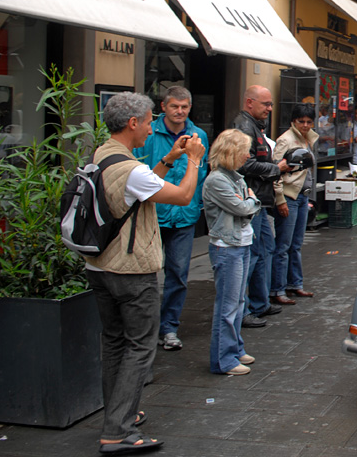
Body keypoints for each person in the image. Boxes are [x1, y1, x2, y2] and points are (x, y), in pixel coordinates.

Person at [87, 92, 205, 454]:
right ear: (133, 123)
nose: (153, 125)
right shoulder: (132, 168)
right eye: (150, 119)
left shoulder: (104, 155)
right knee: (140, 347)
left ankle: (119, 414)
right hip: (131, 268)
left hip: (101, 265)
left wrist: (170, 158)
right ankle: (118, 432)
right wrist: (194, 161)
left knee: (114, 343)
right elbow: (183, 196)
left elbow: (138, 192)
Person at [132, 86, 209, 352]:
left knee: (178, 273)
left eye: (185, 107)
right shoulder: (149, 133)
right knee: (148, 275)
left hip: (184, 215)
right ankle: (148, 328)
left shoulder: (199, 136)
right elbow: (140, 169)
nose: (180, 111)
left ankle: (169, 327)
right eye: (175, 106)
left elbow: (201, 173)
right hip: (153, 214)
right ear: (163, 107)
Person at [202, 129, 261, 376]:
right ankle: (223, 360)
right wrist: (251, 202)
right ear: (231, 152)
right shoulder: (217, 180)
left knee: (238, 302)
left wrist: (248, 202)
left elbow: (244, 205)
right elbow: (242, 206)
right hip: (227, 247)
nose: (248, 155)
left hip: (241, 243)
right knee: (228, 305)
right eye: (244, 151)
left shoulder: (234, 177)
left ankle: (235, 349)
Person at [232, 85, 292, 328]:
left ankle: (259, 302)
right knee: (253, 254)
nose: (269, 108)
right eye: (265, 104)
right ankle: (245, 309)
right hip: (252, 200)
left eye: (270, 104)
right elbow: (245, 165)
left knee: (264, 249)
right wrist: (277, 168)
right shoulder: (244, 127)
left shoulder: (252, 126)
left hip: (259, 199)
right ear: (249, 103)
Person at [269, 103, 318, 307]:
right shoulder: (285, 140)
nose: (305, 125)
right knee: (283, 245)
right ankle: (277, 289)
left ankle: (294, 283)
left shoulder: (306, 138)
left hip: (301, 195)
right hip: (289, 196)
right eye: (301, 121)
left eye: (308, 122)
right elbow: (275, 171)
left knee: (296, 244)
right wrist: (280, 198)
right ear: (293, 121)